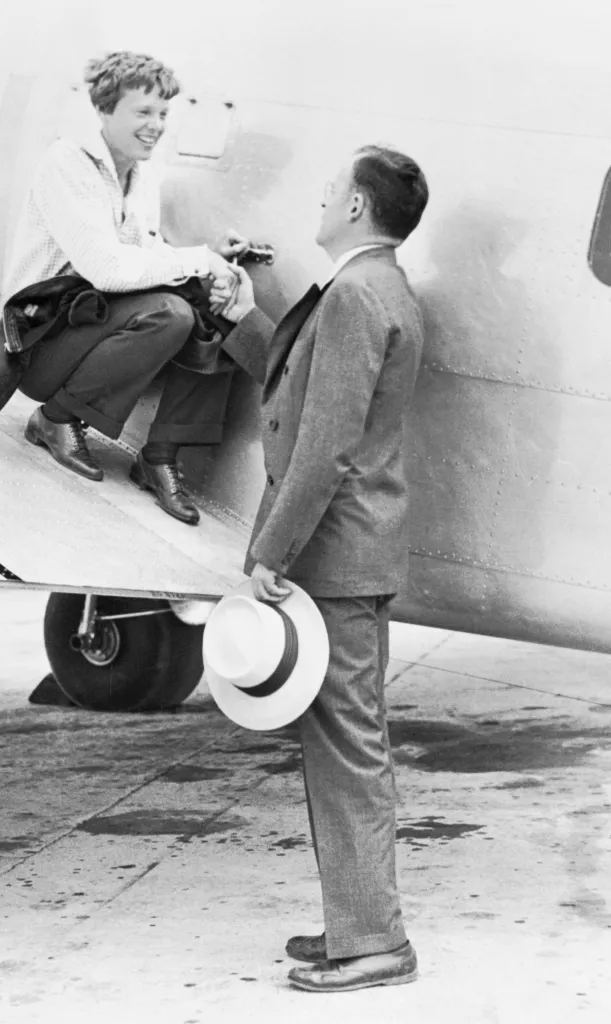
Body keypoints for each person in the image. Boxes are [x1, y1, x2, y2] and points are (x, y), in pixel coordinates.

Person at [213, 145, 429, 993]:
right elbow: (303, 396)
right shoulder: (378, 286)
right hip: (352, 551)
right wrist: (240, 315)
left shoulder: (355, 295)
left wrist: (269, 554)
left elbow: (324, 444)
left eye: (332, 189)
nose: (321, 197)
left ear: (356, 208)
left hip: (335, 555)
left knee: (347, 747)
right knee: (340, 743)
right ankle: (355, 922)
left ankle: (374, 941)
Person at [0, 51, 243, 526]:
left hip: (91, 323)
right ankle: (56, 418)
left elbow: (143, 253)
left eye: (163, 113)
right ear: (105, 109)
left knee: (216, 309)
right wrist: (193, 260)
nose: (156, 125)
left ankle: (159, 455)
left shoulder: (143, 174)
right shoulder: (67, 163)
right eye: (143, 112)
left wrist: (210, 262)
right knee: (171, 313)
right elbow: (106, 269)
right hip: (39, 342)